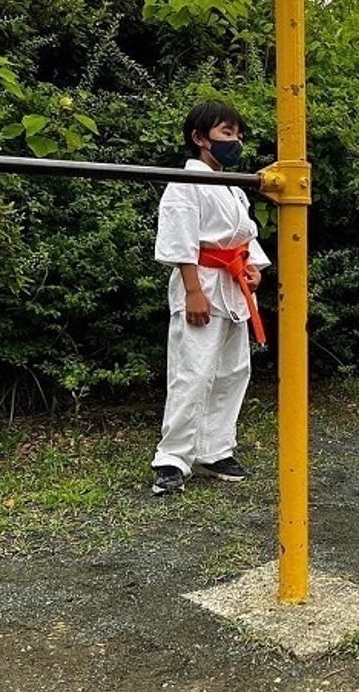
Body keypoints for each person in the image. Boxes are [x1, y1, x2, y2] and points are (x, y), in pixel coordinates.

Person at [150, 100, 269, 496]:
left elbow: (244, 236)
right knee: (193, 370)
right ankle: (172, 458)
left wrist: (252, 268)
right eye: (225, 133)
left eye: (237, 134)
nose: (235, 141)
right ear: (200, 139)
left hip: (232, 286)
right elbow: (180, 238)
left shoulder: (231, 185)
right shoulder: (186, 182)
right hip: (200, 281)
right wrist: (193, 291)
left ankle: (215, 448)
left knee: (233, 370)